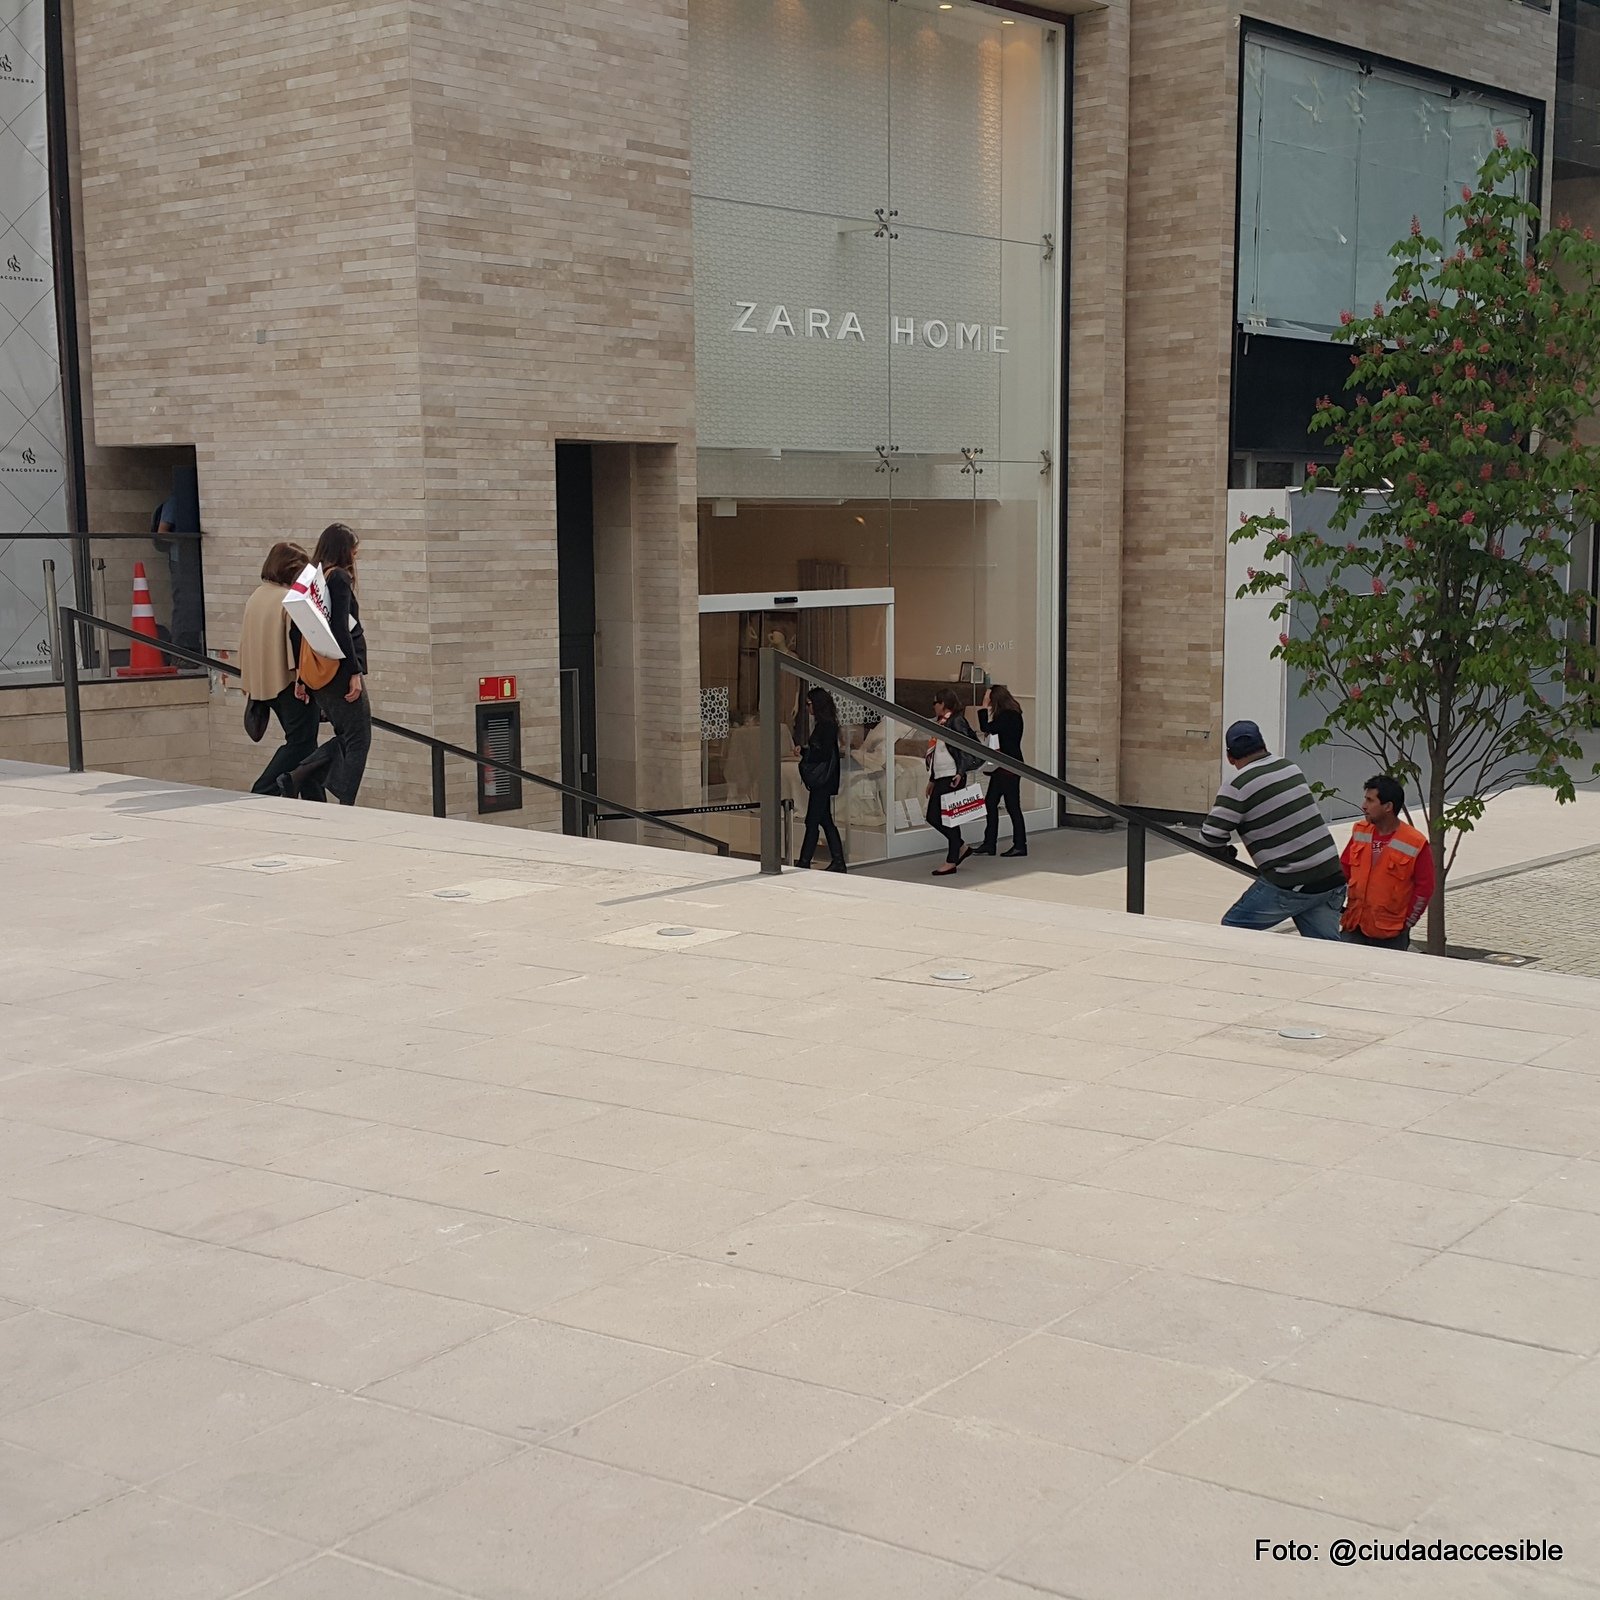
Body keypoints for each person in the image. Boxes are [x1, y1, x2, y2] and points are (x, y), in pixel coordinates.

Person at [1200, 720, 1346, 939]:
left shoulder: (1237, 785)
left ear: (1230, 757)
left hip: (1292, 881)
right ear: (1264, 745)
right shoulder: (1289, 767)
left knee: (1233, 930)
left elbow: (1210, 838)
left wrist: (1225, 850)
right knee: (1325, 950)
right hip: (1331, 875)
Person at [281, 523, 370, 806]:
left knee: (346, 736)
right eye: (354, 550)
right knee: (358, 738)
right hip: (339, 671)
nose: (356, 556)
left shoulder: (312, 580)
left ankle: (297, 777)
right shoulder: (339, 578)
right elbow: (341, 629)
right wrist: (353, 673)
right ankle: (343, 802)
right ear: (344, 550)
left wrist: (302, 677)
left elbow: (298, 630)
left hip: (318, 675)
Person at [240, 541, 318, 796]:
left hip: (262, 682)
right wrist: (303, 680)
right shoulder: (288, 600)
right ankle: (265, 788)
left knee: (307, 744)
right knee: (302, 741)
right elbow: (296, 645)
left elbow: (245, 642)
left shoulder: (257, 595)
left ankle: (314, 798)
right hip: (288, 681)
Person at [1340, 774, 1435, 950]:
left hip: (1391, 933)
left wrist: (1408, 922)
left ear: (1388, 807)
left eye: (1370, 800)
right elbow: (1343, 871)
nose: (1364, 806)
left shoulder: (1414, 842)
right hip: (1354, 925)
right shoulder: (1361, 831)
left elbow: (1425, 888)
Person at [925, 687, 982, 876]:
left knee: (946, 817)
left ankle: (952, 860)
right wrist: (932, 779)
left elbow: (964, 748)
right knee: (934, 816)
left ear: (943, 704)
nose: (933, 706)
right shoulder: (942, 722)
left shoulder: (956, 720)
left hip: (952, 775)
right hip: (942, 775)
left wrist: (960, 772)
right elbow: (938, 753)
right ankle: (961, 847)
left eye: (935, 702)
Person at [794, 686, 846, 872]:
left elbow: (822, 753)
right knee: (824, 820)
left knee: (813, 821)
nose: (808, 708)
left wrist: (806, 751)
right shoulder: (827, 724)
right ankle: (837, 861)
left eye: (809, 703)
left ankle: (804, 861)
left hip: (822, 781)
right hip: (825, 780)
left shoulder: (826, 726)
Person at [975, 682, 1026, 858]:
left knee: (1012, 806)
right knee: (990, 803)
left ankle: (1020, 845)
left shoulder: (1008, 716)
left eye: (987, 697)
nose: (986, 700)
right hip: (1003, 765)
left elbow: (986, 728)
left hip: (1009, 766)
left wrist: (982, 708)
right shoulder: (1011, 714)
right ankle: (989, 843)